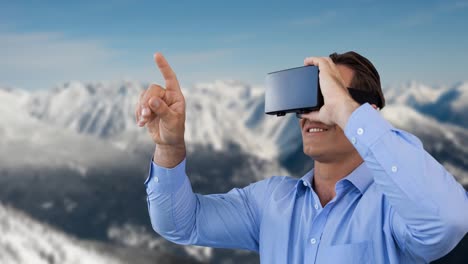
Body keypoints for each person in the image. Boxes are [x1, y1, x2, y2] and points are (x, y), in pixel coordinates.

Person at [135, 51, 468, 263]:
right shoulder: (269, 201)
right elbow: (180, 223)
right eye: (305, 100)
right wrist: (170, 149)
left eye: (325, 96)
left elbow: (449, 220)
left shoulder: (394, 208)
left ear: (365, 110)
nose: (310, 113)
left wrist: (349, 115)